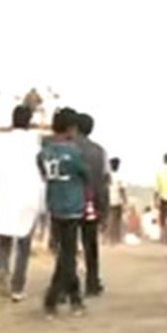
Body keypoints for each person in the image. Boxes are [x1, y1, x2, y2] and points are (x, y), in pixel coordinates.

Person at [0, 105, 44, 302]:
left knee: (4, 242)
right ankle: (17, 287)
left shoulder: (0, 143)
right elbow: (40, 174)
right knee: (24, 245)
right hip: (28, 198)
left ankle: (2, 271)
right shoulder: (35, 144)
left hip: (5, 197)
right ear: (29, 121)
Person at [39, 109, 89, 317]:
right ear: (71, 129)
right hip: (72, 207)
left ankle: (72, 298)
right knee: (67, 256)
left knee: (65, 254)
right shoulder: (74, 152)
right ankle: (57, 298)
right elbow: (85, 174)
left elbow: (44, 175)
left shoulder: (43, 153)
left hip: (54, 205)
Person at [74, 113, 109, 296]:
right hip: (91, 203)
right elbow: (104, 181)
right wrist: (103, 207)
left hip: (71, 203)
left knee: (69, 246)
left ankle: (68, 283)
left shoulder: (70, 148)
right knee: (91, 245)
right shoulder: (99, 151)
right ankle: (92, 282)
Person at [104, 158, 125, 245]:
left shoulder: (107, 176)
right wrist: (125, 200)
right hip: (117, 200)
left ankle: (108, 238)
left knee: (110, 219)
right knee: (116, 220)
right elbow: (122, 190)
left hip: (108, 200)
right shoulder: (120, 176)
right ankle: (115, 238)